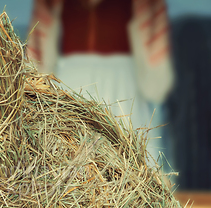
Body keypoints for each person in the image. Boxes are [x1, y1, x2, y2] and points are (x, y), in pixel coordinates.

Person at [27, 0, 174, 162]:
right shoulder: (51, 3)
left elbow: (157, 82)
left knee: (128, 159)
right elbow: (38, 60)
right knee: (71, 158)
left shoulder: (143, 4)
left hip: (123, 91)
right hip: (72, 88)